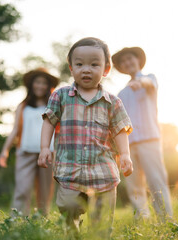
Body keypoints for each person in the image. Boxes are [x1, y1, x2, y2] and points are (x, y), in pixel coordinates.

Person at [38, 37, 133, 237]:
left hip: (103, 171)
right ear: (71, 68)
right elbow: (49, 121)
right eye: (79, 64)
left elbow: (119, 130)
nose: (86, 69)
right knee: (68, 207)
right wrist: (45, 148)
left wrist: (125, 154)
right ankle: (73, 233)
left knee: (101, 224)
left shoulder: (113, 102)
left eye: (94, 64)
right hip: (70, 170)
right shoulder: (61, 96)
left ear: (106, 69)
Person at [113, 47, 173, 221]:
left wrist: (140, 82)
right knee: (134, 186)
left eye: (130, 58)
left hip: (149, 140)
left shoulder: (150, 80)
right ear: (121, 67)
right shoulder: (121, 94)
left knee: (157, 181)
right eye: (123, 61)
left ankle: (166, 220)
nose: (127, 63)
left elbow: (149, 83)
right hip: (128, 145)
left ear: (138, 60)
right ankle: (142, 220)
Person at [0, 68, 59, 216]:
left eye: (44, 83)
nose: (40, 86)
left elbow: (58, 132)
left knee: (45, 191)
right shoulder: (23, 106)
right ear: (32, 85)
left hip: (47, 153)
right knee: (23, 188)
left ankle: (42, 219)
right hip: (25, 152)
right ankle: (16, 219)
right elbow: (14, 130)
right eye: (37, 82)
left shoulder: (53, 106)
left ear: (48, 86)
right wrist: (4, 151)